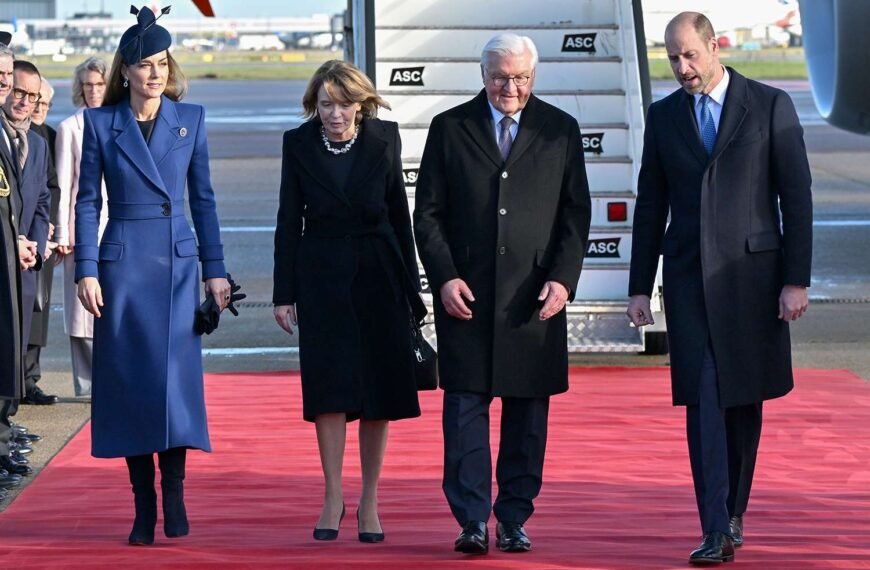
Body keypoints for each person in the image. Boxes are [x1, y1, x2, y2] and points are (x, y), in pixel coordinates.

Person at [626, 12, 812, 566]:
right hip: (689, 282)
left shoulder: (770, 105)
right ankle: (713, 527)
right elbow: (651, 205)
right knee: (704, 399)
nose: (681, 67)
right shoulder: (663, 117)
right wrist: (639, 287)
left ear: (713, 47)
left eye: (689, 55)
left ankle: (733, 510)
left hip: (753, 282)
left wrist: (796, 280)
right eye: (672, 57)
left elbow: (796, 197)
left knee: (742, 402)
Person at [414, 33, 591, 554]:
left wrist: (563, 278)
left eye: (520, 78)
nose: (509, 88)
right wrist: (444, 277)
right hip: (466, 298)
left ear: (533, 76)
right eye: (499, 77)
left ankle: (513, 519)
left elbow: (575, 214)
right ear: (483, 74)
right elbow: (428, 214)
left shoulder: (560, 129)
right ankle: (471, 520)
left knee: (527, 420)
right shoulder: (450, 128)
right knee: (464, 415)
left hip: (532, 301)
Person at [74, 6, 230, 546]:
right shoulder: (101, 124)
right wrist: (87, 269)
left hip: (178, 269)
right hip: (122, 269)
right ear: (126, 70)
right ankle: (143, 504)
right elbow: (88, 202)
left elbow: (204, 201)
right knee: (132, 385)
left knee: (174, 385)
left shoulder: (192, 119)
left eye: (162, 63)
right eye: (145, 64)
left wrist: (215, 271)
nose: (155, 73)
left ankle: (175, 491)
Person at [272, 59, 424, 543]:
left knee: (379, 390)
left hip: (380, 273)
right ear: (313, 105)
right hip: (320, 276)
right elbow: (287, 220)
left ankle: (370, 501)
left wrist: (413, 290)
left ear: (361, 104)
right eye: (325, 105)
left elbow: (400, 215)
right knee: (328, 387)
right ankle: (333, 495)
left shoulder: (385, 138)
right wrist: (283, 293)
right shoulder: (297, 143)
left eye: (343, 104)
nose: (335, 114)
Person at [0, 59, 51, 478]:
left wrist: (34, 245)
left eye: (33, 96)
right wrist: (12, 241)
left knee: (14, 354)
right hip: (4, 257)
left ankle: (5, 435)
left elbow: (42, 200)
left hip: (26, 264)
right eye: (19, 91)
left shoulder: (37, 142)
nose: (24, 102)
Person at [54, 56, 109, 399]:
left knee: (113, 306)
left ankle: (114, 379)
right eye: (88, 85)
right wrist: (62, 234)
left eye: (99, 84)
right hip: (79, 231)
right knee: (81, 313)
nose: (93, 91)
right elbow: (62, 186)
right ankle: (87, 386)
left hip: (115, 228)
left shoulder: (121, 121)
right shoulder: (69, 128)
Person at [21, 76, 60, 406]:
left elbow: (53, 187)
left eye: (44, 102)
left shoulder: (48, 137)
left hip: (40, 237)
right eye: (35, 100)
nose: (38, 107)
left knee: (38, 310)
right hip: (18, 236)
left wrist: (47, 227)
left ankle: (29, 378)